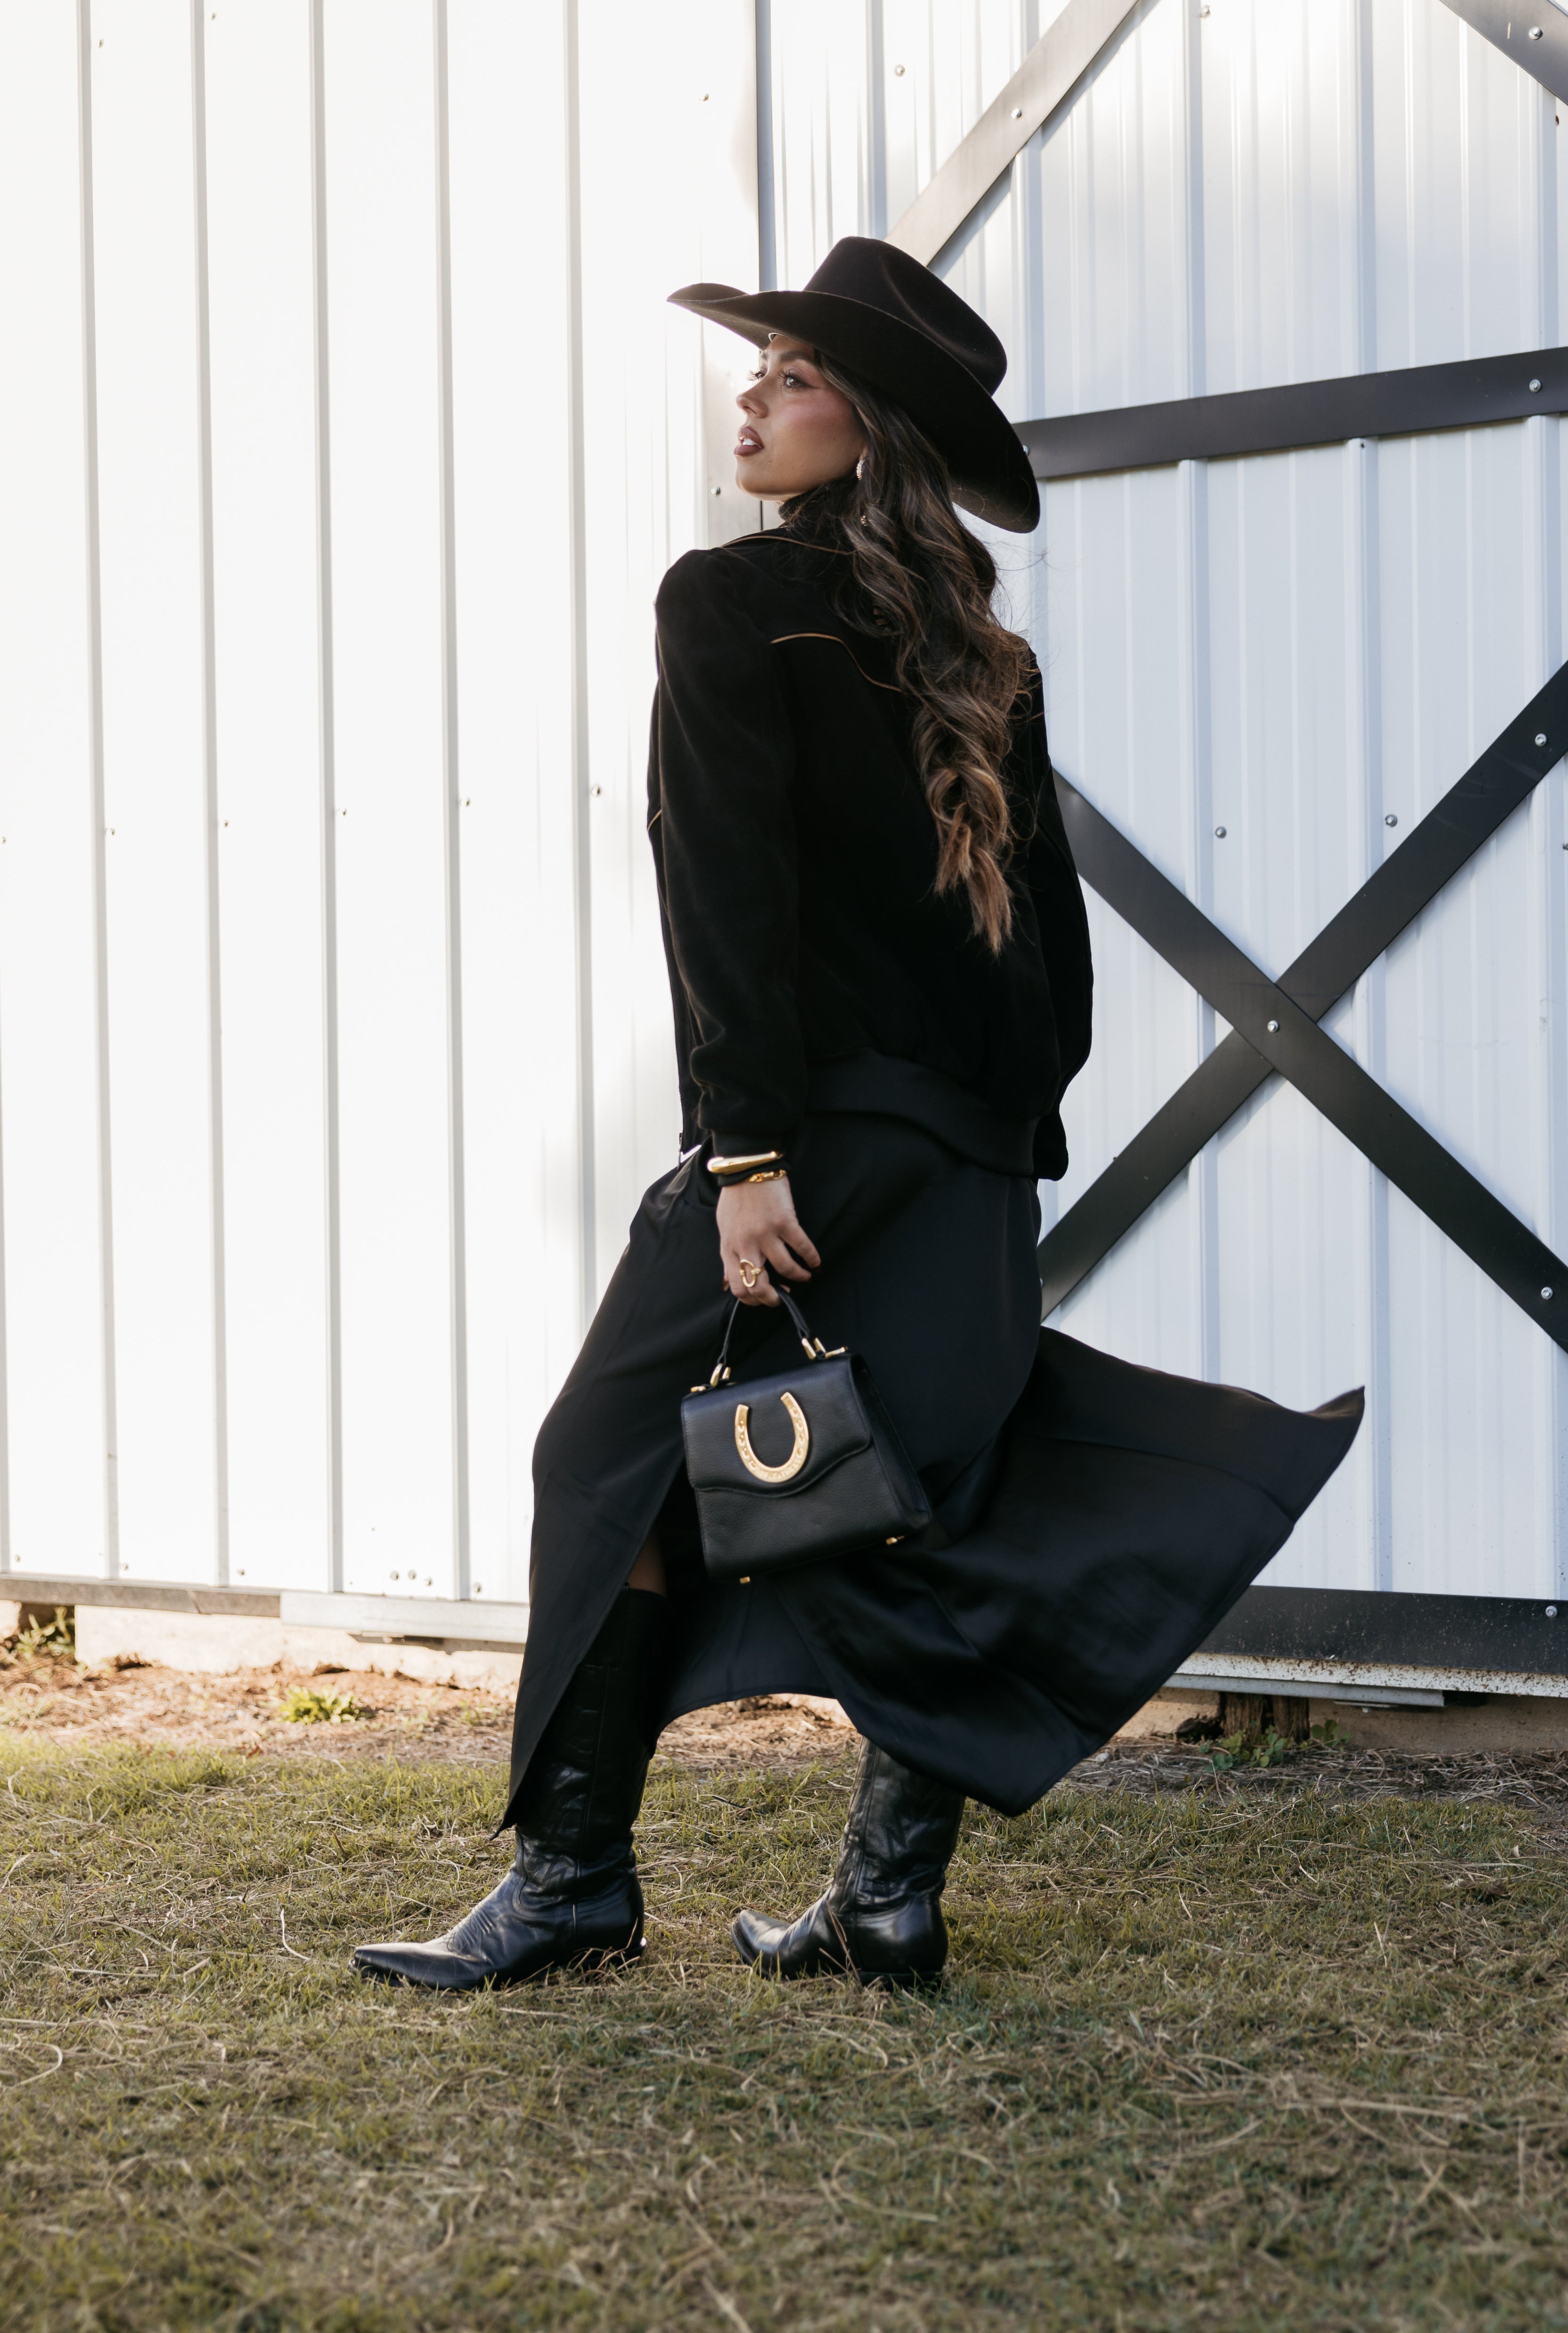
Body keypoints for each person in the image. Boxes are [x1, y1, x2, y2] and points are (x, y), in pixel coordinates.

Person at [352, 238, 1361, 1994]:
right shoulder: (985, 652)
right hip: (961, 1161)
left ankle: (577, 1881)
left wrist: (746, 1154)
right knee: (920, 1502)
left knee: (604, 1460)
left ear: (870, 425)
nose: (751, 395)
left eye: (794, 373)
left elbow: (725, 896)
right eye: (756, 367)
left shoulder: (728, 601)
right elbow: (1050, 963)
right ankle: (885, 1900)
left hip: (810, 1151)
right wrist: (998, 1149)